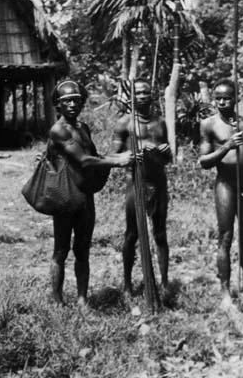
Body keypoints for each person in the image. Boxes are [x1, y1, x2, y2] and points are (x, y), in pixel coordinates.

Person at [48, 79, 133, 307]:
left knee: (83, 249)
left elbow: (95, 156)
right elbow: (84, 161)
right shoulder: (58, 130)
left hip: (85, 197)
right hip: (65, 196)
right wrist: (118, 162)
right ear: (58, 104)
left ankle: (82, 300)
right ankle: (57, 301)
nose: (72, 105)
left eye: (76, 100)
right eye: (67, 101)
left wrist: (120, 157)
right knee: (61, 250)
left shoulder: (82, 128)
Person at [199, 79, 243, 308]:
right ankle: (226, 292)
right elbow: (203, 161)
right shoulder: (209, 124)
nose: (222, 102)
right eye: (218, 98)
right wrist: (227, 146)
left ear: (236, 98)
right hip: (226, 185)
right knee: (225, 237)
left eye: (227, 97)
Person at [112, 78, 172, 296]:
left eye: (146, 93)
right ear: (132, 97)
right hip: (135, 182)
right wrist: (133, 154)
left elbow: (168, 158)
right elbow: (114, 155)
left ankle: (164, 283)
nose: (143, 96)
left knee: (160, 234)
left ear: (152, 95)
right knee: (132, 234)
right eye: (138, 93)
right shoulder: (125, 123)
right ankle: (127, 285)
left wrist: (165, 152)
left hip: (158, 183)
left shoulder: (160, 122)